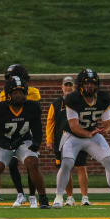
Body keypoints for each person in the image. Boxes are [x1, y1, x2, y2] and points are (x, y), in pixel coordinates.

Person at [53, 69, 110, 209]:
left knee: (109, 160)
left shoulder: (103, 98)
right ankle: (59, 197)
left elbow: (108, 123)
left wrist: (105, 129)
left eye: (92, 83)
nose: (89, 86)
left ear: (97, 84)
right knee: (67, 163)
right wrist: (89, 134)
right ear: (80, 85)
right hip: (73, 137)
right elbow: (73, 126)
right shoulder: (72, 99)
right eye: (86, 83)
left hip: (92, 134)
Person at [0, 76, 50, 209]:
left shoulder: (32, 107)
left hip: (23, 140)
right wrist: (7, 145)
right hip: (3, 141)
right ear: (8, 94)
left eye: (21, 92)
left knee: (33, 162)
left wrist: (37, 142)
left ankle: (43, 199)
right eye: (15, 93)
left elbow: (37, 129)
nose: (19, 95)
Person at [47, 76, 90, 206]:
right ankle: (70, 197)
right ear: (62, 87)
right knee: (65, 168)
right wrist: (49, 140)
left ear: (74, 87)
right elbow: (50, 123)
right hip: (61, 141)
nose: (68, 87)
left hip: (79, 138)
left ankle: (85, 197)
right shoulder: (55, 104)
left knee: (81, 166)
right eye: (66, 85)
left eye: (70, 85)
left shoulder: (81, 101)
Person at [0, 64, 39, 208]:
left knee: (31, 165)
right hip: (12, 132)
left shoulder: (33, 92)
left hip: (28, 131)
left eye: (11, 77)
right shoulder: (4, 94)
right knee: (12, 163)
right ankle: (20, 194)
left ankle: (33, 196)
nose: (9, 81)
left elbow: (31, 111)